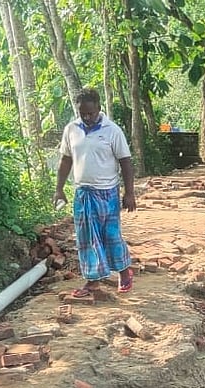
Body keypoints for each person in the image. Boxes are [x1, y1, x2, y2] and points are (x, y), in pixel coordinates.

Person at [54, 88, 136, 297]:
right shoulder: (71, 130)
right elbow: (66, 160)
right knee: (87, 239)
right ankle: (92, 282)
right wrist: (59, 189)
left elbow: (125, 162)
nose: (87, 117)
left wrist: (129, 193)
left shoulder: (112, 130)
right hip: (83, 193)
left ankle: (124, 272)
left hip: (107, 193)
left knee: (111, 236)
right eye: (83, 113)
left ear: (99, 108)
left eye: (91, 113)